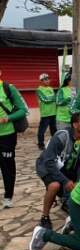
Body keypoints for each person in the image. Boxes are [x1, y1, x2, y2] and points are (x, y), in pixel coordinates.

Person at [35, 113, 80, 229]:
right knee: (54, 185)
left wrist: (79, 179)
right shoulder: (61, 137)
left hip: (66, 167)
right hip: (47, 166)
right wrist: (65, 181)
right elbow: (49, 161)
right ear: (75, 125)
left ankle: (67, 203)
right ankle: (45, 217)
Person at [0, 68, 28, 208]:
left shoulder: (8, 88)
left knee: (7, 166)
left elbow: (23, 110)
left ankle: (8, 196)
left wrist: (7, 118)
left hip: (7, 135)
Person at [36, 73, 57, 150]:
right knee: (42, 130)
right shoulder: (39, 90)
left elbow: (54, 98)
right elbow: (45, 99)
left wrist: (53, 98)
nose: (47, 81)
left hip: (53, 112)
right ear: (41, 81)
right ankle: (41, 144)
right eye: (45, 80)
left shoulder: (51, 88)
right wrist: (53, 98)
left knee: (54, 130)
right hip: (45, 114)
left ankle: (55, 143)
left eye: (48, 79)